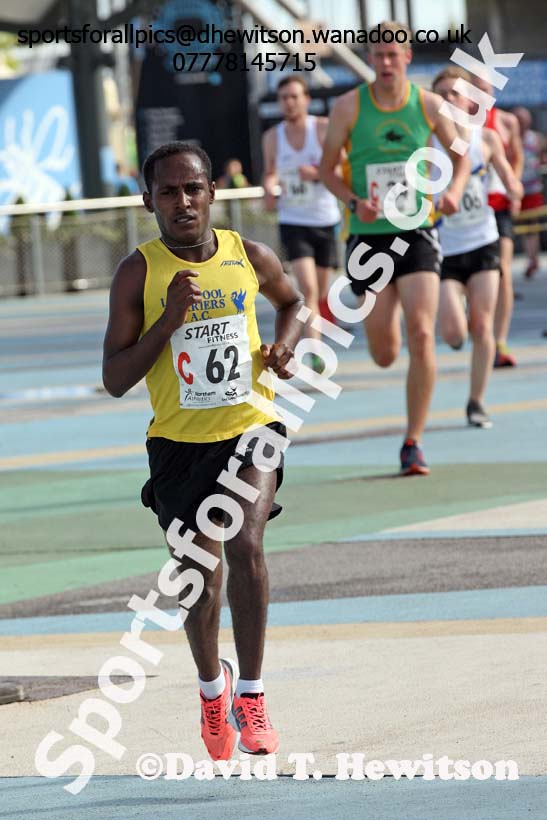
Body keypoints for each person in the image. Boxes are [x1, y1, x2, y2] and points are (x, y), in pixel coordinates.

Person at [102, 142, 303, 760]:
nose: (183, 202)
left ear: (213, 192)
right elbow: (114, 377)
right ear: (148, 201)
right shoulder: (138, 272)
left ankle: (253, 695)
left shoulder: (250, 255)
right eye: (168, 192)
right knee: (199, 575)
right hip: (178, 445)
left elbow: (293, 304)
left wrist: (284, 348)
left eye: (193, 188)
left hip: (251, 428)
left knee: (244, 544)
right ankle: (212, 691)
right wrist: (167, 321)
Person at [320, 20, 469, 475]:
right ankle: (389, 321)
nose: (385, 62)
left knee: (422, 334)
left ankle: (413, 442)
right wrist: (353, 202)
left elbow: (461, 155)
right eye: (378, 55)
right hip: (368, 238)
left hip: (416, 231)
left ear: (407, 57)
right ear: (370, 58)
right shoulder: (348, 107)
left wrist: (453, 190)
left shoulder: (429, 104)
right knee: (384, 352)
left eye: (393, 54)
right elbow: (326, 170)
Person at [432, 67, 523, 428]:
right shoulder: (427, 143)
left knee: (482, 326)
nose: (448, 100)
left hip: (483, 240)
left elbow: (509, 176)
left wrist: (514, 188)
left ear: (469, 100)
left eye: (454, 93)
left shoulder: (486, 139)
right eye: (441, 95)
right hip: (445, 248)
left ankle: (476, 401)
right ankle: (457, 327)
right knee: (455, 333)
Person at [262, 76, 341, 371]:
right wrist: (269, 188)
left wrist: (318, 173)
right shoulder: (273, 137)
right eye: (284, 98)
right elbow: (270, 172)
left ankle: (317, 332)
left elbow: (342, 167)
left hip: (325, 219)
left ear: (306, 99)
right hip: (293, 220)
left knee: (319, 291)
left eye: (294, 96)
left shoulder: (322, 128)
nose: (289, 103)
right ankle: (315, 351)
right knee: (307, 288)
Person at [473, 77, 523, 367]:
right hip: (469, 211)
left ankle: (499, 339)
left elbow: (516, 157)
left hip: (499, 205)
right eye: (476, 89)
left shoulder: (506, 121)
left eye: (486, 89)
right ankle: (479, 329)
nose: (481, 94)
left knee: (503, 270)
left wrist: (513, 187)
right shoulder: (458, 124)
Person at [512, 106, 547, 278]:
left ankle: (532, 259)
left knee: (531, 226)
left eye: (524, 120)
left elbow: (543, 157)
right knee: (517, 227)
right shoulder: (509, 138)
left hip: (532, 188)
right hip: (514, 189)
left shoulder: (536, 139)